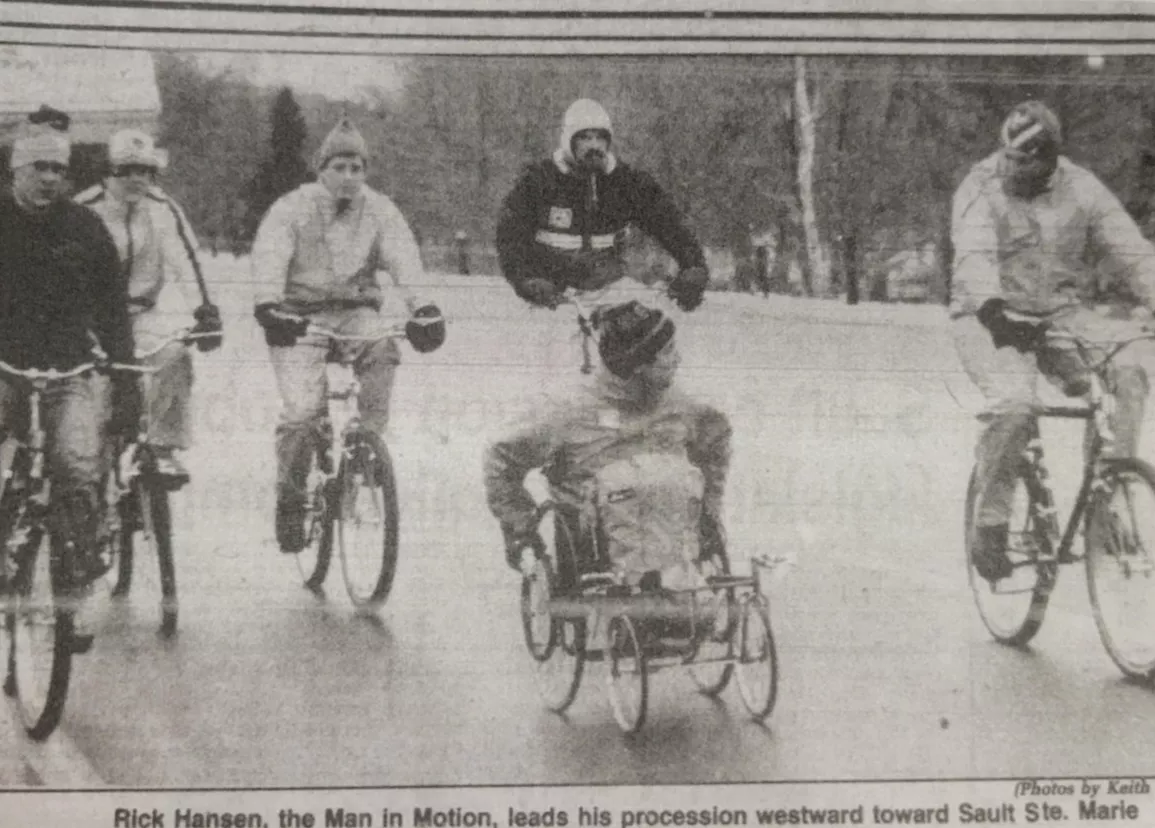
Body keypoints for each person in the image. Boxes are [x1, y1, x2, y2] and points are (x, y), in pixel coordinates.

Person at [950, 101, 1155, 583]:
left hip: (1058, 314)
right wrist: (992, 311)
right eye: (1009, 159)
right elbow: (973, 256)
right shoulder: (979, 187)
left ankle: (1105, 504)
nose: (1015, 171)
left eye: (1028, 163)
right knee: (1015, 407)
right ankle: (990, 521)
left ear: (1052, 159)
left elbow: (1128, 246)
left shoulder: (1081, 188)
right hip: (987, 317)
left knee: (1128, 376)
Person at [251, 117, 444, 554]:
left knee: (384, 348)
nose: (349, 177)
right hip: (299, 317)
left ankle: (366, 451)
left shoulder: (379, 209)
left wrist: (424, 307)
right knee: (302, 413)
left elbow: (404, 259)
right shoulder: (292, 208)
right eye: (339, 167)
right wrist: (268, 304)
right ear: (322, 168)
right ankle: (291, 496)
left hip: (356, 312)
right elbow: (269, 254)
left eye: (357, 168)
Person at [0, 106, 137, 597]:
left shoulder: (86, 228)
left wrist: (126, 380)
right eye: (38, 168)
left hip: (68, 365)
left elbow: (112, 310)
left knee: (78, 458)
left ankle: (79, 563)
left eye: (58, 169)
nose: (49, 178)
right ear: (15, 171)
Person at [483, 301, 731, 592]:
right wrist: (520, 528)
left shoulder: (686, 408)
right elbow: (501, 458)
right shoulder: (568, 411)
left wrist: (708, 512)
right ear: (639, 364)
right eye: (668, 353)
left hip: (672, 535)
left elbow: (715, 445)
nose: (678, 360)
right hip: (594, 547)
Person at [75, 128, 223, 483]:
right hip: (91, 320)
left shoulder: (161, 209)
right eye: (125, 171)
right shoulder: (84, 208)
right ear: (107, 172)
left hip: (142, 314)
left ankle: (162, 448)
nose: (135, 180)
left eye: (144, 171)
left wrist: (205, 310)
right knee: (93, 401)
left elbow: (186, 260)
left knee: (174, 356)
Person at [495, 99, 710, 315]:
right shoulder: (540, 181)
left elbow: (670, 224)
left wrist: (694, 266)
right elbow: (510, 237)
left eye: (600, 138)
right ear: (569, 141)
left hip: (606, 287)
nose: (594, 146)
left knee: (647, 332)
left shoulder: (625, 182)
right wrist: (526, 280)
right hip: (550, 293)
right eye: (586, 138)